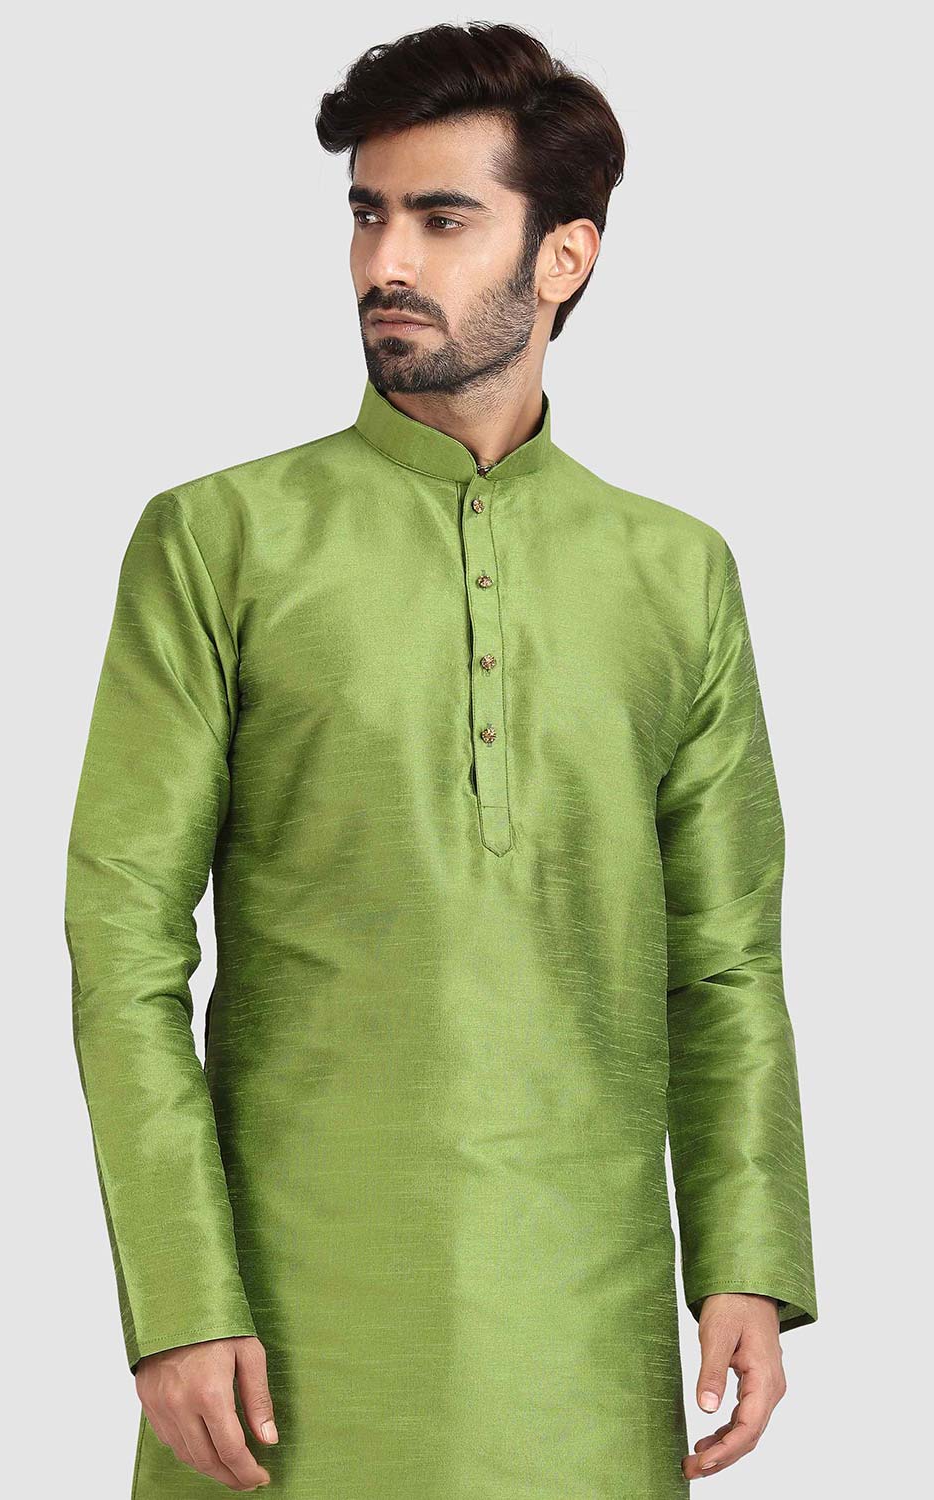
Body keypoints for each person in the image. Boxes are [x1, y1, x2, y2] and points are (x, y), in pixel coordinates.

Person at [64, 21, 817, 1498]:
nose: (384, 261)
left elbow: (725, 957)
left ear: (564, 257)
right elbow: (123, 937)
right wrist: (179, 1296)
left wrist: (747, 1256)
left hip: (587, 1333)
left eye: (441, 218)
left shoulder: (676, 574)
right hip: (282, 1333)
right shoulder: (220, 539)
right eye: (367, 214)